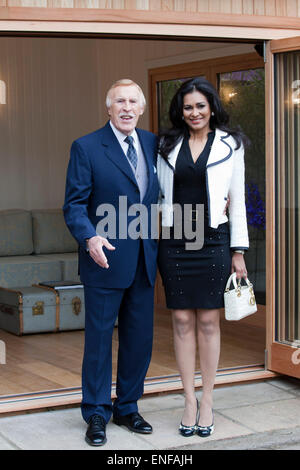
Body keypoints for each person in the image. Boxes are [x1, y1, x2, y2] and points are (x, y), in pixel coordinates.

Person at [63, 79, 159, 446]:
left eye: (133, 101)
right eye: (120, 101)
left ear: (142, 108)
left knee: (139, 339)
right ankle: (97, 413)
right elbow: (73, 203)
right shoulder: (87, 147)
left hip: (145, 260)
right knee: (100, 341)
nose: (127, 107)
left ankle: (128, 407)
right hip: (104, 260)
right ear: (108, 108)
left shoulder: (153, 143)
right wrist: (90, 237)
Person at [157, 77, 249, 438]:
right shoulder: (166, 145)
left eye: (200, 105)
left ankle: (208, 399)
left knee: (209, 321)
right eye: (187, 107)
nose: (194, 112)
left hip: (213, 239)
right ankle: (188, 400)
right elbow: (152, 190)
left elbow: (237, 199)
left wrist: (238, 251)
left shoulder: (232, 144)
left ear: (212, 107)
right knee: (181, 319)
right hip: (175, 238)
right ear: (180, 111)